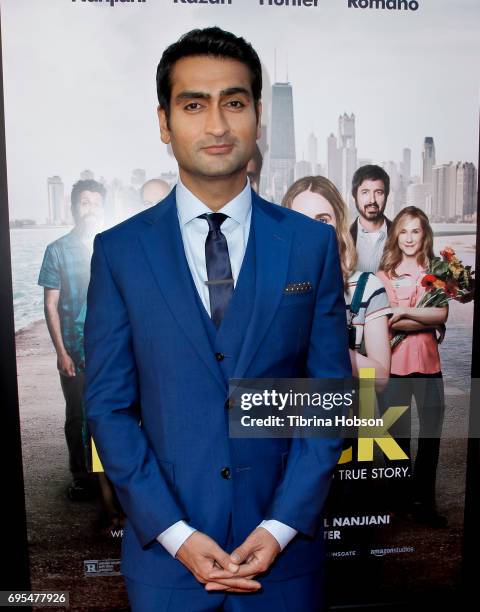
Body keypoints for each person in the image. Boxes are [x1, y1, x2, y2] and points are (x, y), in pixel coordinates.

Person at [84, 27, 351, 611]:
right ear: (164, 122)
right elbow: (108, 407)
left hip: (285, 566)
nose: (217, 125)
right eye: (193, 104)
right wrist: (176, 535)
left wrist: (282, 525)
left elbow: (329, 398)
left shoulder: (309, 246)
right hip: (165, 569)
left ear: (258, 116)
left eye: (234, 102)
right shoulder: (119, 252)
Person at [377, 206, 448, 528]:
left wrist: (403, 312)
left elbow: (442, 315)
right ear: (396, 235)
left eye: (415, 231)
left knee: (431, 438)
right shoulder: (384, 275)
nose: (409, 237)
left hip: (431, 367)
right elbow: (388, 323)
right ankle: (397, 501)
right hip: (396, 369)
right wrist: (413, 316)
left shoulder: (436, 271)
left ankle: (424, 504)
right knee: (398, 438)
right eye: (403, 231)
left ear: (424, 235)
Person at [282, 176, 391, 383]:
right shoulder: (272, 287)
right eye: (300, 219)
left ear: (339, 224)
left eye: (322, 220)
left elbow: (381, 377)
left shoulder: (367, 287)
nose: (312, 231)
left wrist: (321, 343)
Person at [39, 179, 105, 501]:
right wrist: (60, 352)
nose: (88, 208)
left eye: (94, 202)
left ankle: (103, 476)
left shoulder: (111, 245)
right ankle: (82, 478)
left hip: (109, 348)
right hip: (73, 348)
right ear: (74, 207)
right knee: (76, 414)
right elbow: (50, 304)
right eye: (83, 202)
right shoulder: (57, 250)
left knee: (106, 413)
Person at [350, 165, 392, 273]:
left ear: (386, 195)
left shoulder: (402, 235)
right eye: (365, 192)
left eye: (379, 192)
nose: (372, 200)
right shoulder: (341, 239)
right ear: (354, 196)